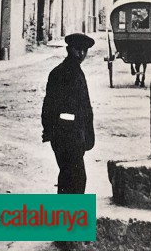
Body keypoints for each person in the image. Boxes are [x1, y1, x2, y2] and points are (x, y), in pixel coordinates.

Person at [42, 33, 95, 194]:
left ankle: (67, 216)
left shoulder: (77, 72)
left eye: (84, 51)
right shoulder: (60, 73)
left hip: (76, 137)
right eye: (77, 50)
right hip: (65, 136)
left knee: (71, 178)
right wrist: (51, 131)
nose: (81, 54)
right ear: (68, 49)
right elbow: (49, 106)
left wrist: (87, 135)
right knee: (75, 178)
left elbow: (85, 108)